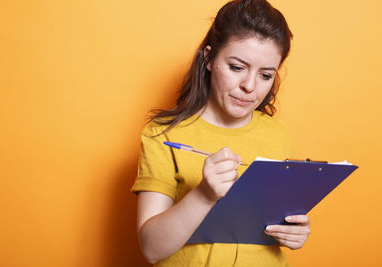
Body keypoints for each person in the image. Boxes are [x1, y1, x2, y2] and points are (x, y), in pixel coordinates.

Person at [131, 0, 311, 266]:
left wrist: (293, 231)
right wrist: (204, 193)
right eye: (237, 67)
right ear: (208, 58)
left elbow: (273, 222)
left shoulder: (276, 134)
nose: (249, 86)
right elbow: (152, 249)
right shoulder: (162, 135)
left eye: (265, 75)